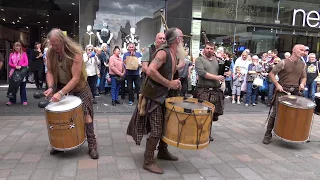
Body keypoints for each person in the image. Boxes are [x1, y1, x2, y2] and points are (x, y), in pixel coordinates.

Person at [127, 28, 186, 174]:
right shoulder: (163, 52)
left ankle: (162, 151)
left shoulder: (173, 53)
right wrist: (169, 83)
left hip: (164, 96)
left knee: (167, 125)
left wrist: (174, 80)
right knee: (157, 129)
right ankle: (148, 160)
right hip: (154, 97)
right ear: (177, 39)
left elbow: (166, 71)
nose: (183, 40)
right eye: (182, 38)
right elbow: (150, 70)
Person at [43, 28, 99, 159]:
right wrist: (51, 87)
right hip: (61, 86)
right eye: (52, 44)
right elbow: (50, 71)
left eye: (56, 44)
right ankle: (60, 144)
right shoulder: (51, 52)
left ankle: (92, 144)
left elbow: (75, 78)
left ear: (63, 41)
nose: (54, 47)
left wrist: (61, 93)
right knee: (59, 116)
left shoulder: (75, 53)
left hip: (79, 87)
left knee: (86, 115)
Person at [262, 44, 307, 145]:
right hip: (282, 90)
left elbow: (304, 77)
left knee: (296, 114)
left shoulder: (303, 64)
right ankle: (268, 134)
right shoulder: (283, 62)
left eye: (304, 51)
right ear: (294, 50)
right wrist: (277, 85)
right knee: (275, 113)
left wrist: (302, 83)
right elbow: (271, 74)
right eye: (301, 50)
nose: (304, 52)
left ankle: (292, 134)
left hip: (295, 91)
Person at [194, 42, 225, 141]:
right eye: (207, 48)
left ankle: (207, 133)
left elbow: (220, 73)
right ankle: (198, 134)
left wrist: (226, 73)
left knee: (211, 114)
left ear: (214, 50)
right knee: (202, 114)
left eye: (211, 48)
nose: (209, 50)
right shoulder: (199, 60)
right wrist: (216, 77)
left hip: (215, 91)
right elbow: (202, 73)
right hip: (203, 90)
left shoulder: (217, 61)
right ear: (204, 49)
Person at [6, 41, 29, 106]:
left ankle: (24, 100)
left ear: (20, 47)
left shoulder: (24, 54)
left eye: (19, 46)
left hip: (22, 72)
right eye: (16, 46)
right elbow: (10, 63)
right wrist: (15, 66)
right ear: (14, 47)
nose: (17, 47)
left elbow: (26, 63)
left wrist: (20, 66)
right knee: (12, 87)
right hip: (13, 71)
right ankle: (12, 100)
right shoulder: (11, 54)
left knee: (22, 87)